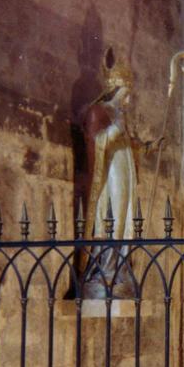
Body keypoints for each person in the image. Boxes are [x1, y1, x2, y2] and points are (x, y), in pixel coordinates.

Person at [80, 47, 140, 298]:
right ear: (116, 89)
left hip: (124, 170)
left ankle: (120, 268)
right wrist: (115, 130)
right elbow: (95, 141)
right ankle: (105, 268)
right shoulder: (99, 110)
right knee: (111, 216)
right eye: (126, 93)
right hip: (111, 172)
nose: (128, 99)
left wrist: (147, 146)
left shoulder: (120, 114)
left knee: (125, 216)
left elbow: (129, 145)